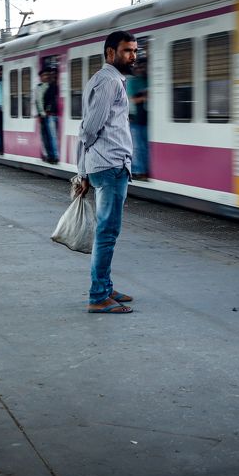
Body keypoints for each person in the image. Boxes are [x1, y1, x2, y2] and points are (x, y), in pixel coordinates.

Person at [75, 30, 138, 314]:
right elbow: (89, 128)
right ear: (111, 53)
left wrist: (84, 172)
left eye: (135, 50)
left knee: (107, 231)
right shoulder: (109, 81)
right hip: (110, 165)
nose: (133, 55)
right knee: (107, 233)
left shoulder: (108, 81)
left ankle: (105, 286)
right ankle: (98, 295)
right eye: (127, 50)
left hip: (109, 165)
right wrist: (83, 170)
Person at [126, 58, 149, 179]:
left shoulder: (147, 80)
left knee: (145, 146)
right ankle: (138, 171)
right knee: (137, 146)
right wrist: (145, 97)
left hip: (146, 118)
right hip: (135, 118)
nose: (141, 69)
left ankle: (144, 170)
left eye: (144, 66)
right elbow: (133, 99)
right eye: (139, 67)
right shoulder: (132, 81)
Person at [34, 69, 59, 163]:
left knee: (52, 136)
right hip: (42, 116)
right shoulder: (38, 87)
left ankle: (55, 156)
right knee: (45, 137)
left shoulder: (53, 86)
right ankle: (49, 155)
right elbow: (38, 102)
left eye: (47, 75)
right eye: (44, 75)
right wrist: (41, 113)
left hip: (50, 115)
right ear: (40, 77)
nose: (46, 76)